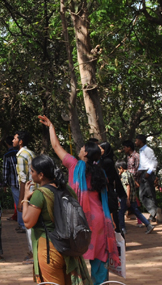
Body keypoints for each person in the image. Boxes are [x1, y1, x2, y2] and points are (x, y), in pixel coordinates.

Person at [39, 116, 119, 285]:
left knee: (77, 257)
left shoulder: (75, 166)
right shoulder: (100, 172)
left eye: (82, 147)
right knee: (99, 261)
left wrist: (51, 126)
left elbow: (56, 146)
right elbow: (105, 199)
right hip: (99, 222)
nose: (80, 148)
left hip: (79, 220)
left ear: (85, 153)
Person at [21, 154, 92, 285]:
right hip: (69, 247)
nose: (31, 175)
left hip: (49, 249)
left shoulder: (40, 194)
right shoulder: (67, 190)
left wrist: (25, 199)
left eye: (32, 171)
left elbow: (27, 222)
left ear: (41, 175)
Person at [15, 131, 37, 261]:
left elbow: (23, 180)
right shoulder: (31, 153)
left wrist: (21, 200)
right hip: (35, 190)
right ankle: (33, 251)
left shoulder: (21, 156)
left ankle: (32, 253)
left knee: (28, 223)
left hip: (29, 192)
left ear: (21, 141)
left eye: (15, 138)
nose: (13, 140)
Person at [99, 142, 127, 235]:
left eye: (101, 149)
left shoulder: (107, 162)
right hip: (108, 192)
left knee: (113, 217)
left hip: (109, 193)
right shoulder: (105, 160)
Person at [117, 161, 152, 232]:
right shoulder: (130, 173)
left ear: (121, 168)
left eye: (118, 169)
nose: (118, 171)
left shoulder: (124, 175)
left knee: (121, 212)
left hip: (126, 198)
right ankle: (148, 225)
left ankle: (123, 228)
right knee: (137, 212)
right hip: (133, 198)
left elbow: (128, 187)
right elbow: (135, 185)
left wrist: (127, 199)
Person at [135, 134, 159, 224]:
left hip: (147, 173)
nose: (135, 142)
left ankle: (154, 213)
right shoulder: (141, 150)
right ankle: (154, 211)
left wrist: (148, 173)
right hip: (143, 173)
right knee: (143, 195)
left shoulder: (147, 150)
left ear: (141, 141)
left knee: (150, 194)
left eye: (137, 140)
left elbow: (154, 162)